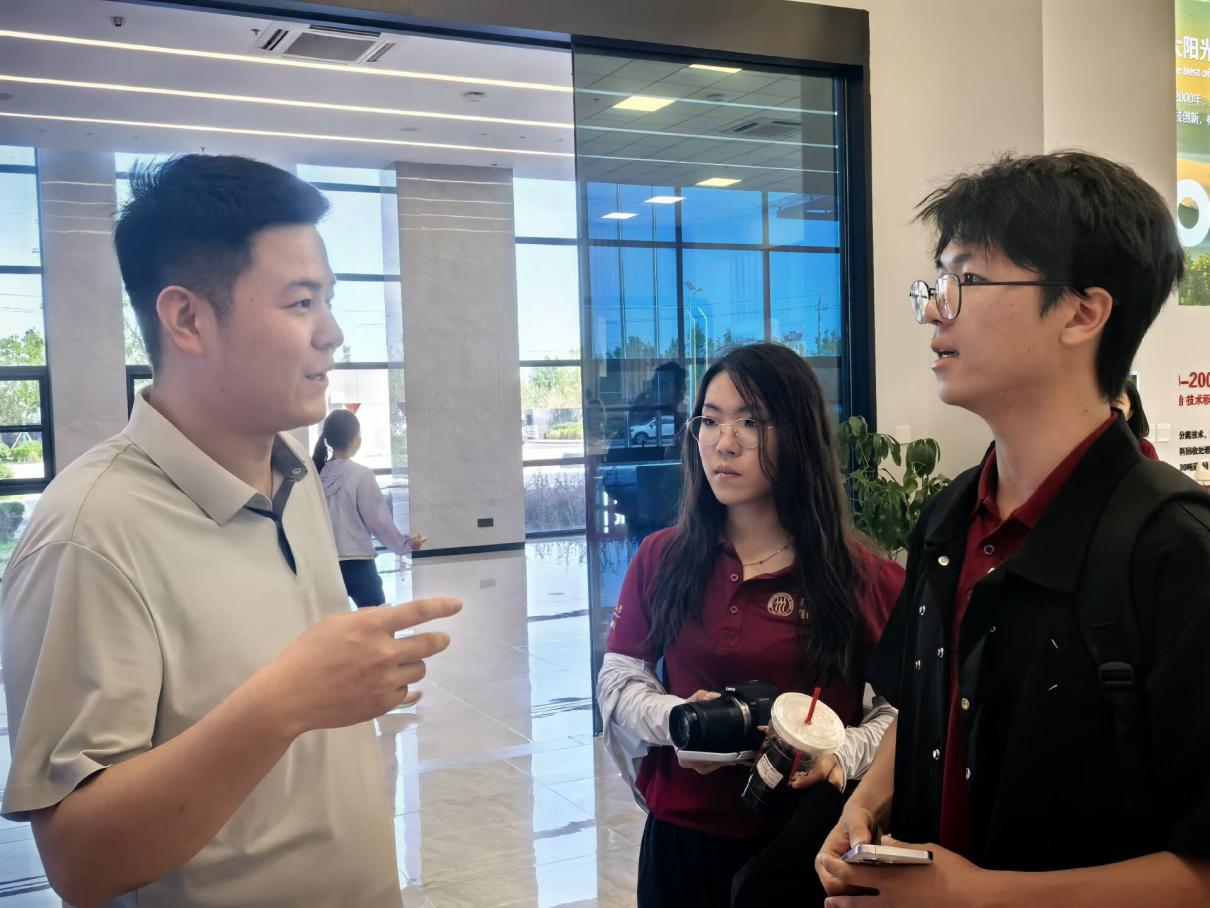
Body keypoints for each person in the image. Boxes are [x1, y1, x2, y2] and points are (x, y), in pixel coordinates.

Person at [0, 154, 462, 907]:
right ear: (187, 319)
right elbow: (81, 862)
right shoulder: (88, 534)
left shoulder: (296, 472)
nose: (332, 333)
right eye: (301, 302)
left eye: (329, 300)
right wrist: (282, 701)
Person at [816, 152, 1210, 906]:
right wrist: (865, 805)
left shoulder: (1176, 552)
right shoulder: (950, 518)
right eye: (937, 283)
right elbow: (929, 706)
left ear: (1082, 313)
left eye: (967, 280)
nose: (935, 310)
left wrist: (981, 897)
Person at [598, 343, 905, 908]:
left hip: (805, 847)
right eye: (710, 421)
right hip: (681, 839)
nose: (724, 442)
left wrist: (837, 752)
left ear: (799, 436)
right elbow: (618, 681)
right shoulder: (662, 557)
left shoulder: (866, 577)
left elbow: (900, 716)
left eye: (751, 423)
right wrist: (680, 722)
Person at [313, 408, 426, 607]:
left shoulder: (314, 475)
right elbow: (378, 521)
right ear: (354, 439)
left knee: (333, 622)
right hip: (359, 564)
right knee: (379, 618)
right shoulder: (361, 475)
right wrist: (406, 544)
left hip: (324, 563)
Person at [1113, 377, 1159, 460]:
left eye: (1118, 400)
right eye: (1105, 399)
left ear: (1130, 413)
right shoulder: (1091, 445)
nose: (1109, 405)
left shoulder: (1145, 449)